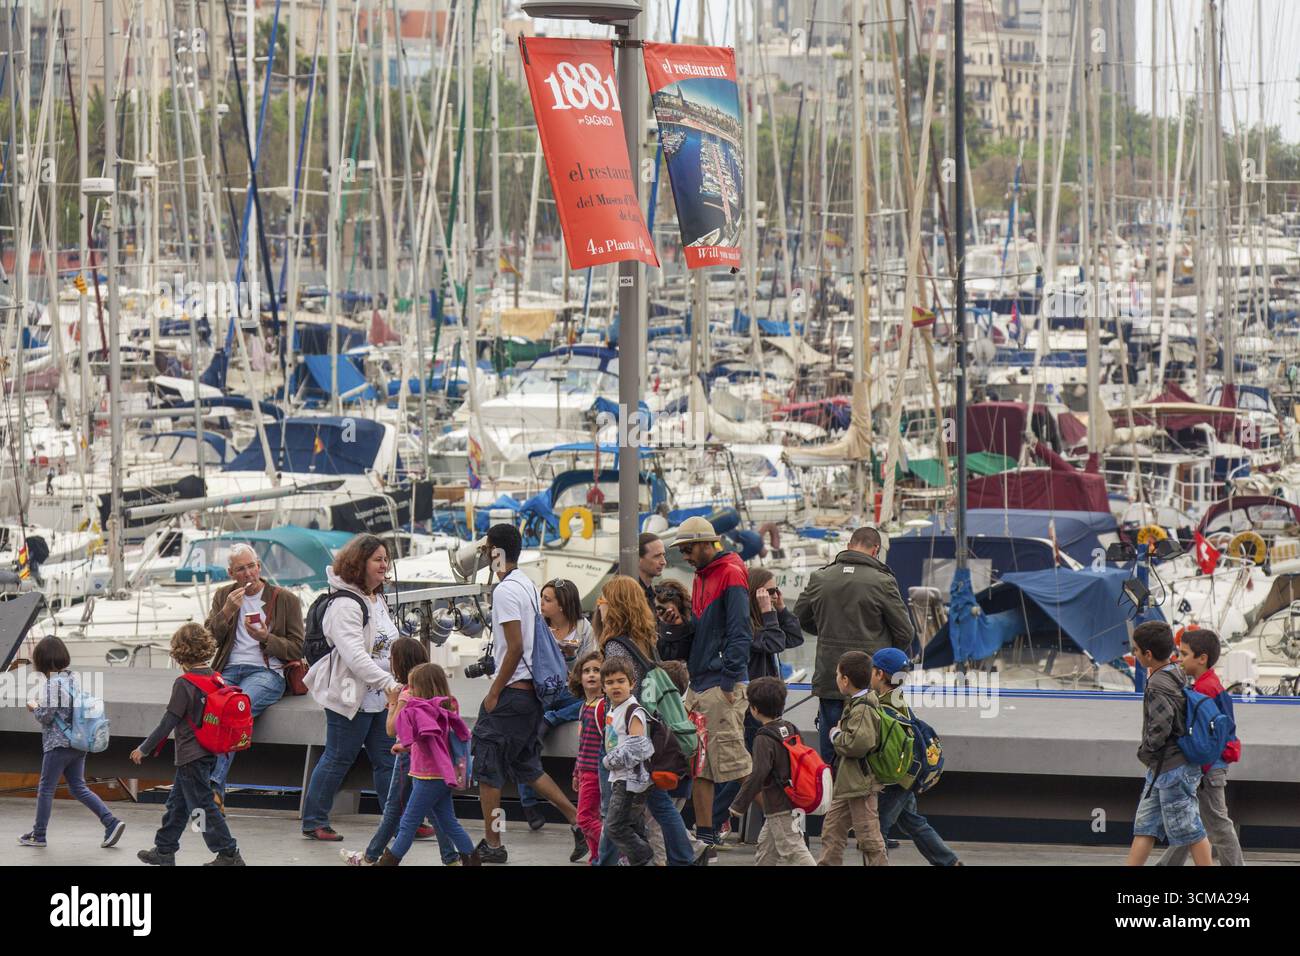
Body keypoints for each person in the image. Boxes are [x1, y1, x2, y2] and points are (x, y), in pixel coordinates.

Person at [470, 523, 583, 864]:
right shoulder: (528, 586)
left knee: (489, 771)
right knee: (525, 765)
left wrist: (493, 692)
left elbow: (516, 647)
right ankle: (579, 821)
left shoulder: (505, 592)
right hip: (530, 696)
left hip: (511, 694)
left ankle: (494, 841)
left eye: (488, 549)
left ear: (497, 553)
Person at [596, 574, 702, 866]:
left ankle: (676, 855)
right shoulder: (644, 639)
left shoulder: (616, 646)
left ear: (614, 604)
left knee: (614, 807)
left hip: (625, 735)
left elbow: (617, 692)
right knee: (653, 803)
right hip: (646, 731)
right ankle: (684, 855)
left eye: (604, 598)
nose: (599, 603)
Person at [300, 534, 401, 842]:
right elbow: (354, 655)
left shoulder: (377, 597)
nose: (384, 564)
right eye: (377, 559)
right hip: (350, 695)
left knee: (387, 760)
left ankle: (396, 820)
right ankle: (314, 820)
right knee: (338, 757)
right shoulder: (345, 604)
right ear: (360, 564)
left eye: (386, 558)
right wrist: (389, 683)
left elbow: (387, 645)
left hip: (379, 697)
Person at [794, 526, 915, 764]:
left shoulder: (821, 577)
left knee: (832, 749)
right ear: (876, 550)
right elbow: (904, 632)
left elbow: (799, 617)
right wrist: (882, 658)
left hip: (831, 677)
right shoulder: (882, 581)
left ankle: (833, 799)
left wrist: (826, 633)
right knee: (870, 751)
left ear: (849, 546)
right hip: (871, 681)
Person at [132, 624, 243, 866]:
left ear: (180, 652)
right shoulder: (216, 677)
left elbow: (168, 722)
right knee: (177, 805)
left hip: (191, 755)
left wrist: (144, 748)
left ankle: (228, 852)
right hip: (209, 752)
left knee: (201, 808)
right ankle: (164, 850)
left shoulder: (184, 684)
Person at [340, 638, 456, 866]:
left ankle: (370, 857)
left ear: (399, 662)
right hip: (431, 758)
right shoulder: (428, 688)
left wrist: (392, 703)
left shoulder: (406, 693)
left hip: (408, 757)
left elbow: (392, 729)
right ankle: (451, 858)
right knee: (435, 810)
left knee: (394, 808)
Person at [674, 515, 752, 851]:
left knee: (736, 765)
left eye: (688, 548)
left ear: (707, 544)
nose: (685, 555)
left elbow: (739, 630)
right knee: (700, 765)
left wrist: (729, 680)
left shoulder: (731, 573)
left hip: (720, 682)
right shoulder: (701, 575)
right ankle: (705, 835)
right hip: (703, 681)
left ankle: (788, 822)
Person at [205, 543, 305, 804]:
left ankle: (213, 787)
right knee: (206, 708)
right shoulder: (224, 596)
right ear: (231, 573)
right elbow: (208, 639)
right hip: (228, 669)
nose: (248, 573)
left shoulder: (284, 599)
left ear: (259, 567)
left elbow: (297, 646)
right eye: (241, 569)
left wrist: (266, 638)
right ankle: (208, 789)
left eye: (252, 566)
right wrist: (226, 611)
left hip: (266, 671)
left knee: (235, 708)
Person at [20, 637, 125, 850]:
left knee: (46, 789)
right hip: (78, 742)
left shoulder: (52, 684)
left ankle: (38, 835)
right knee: (78, 787)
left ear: (42, 660)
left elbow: (46, 716)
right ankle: (110, 822)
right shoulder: (71, 679)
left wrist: (34, 707)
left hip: (58, 744)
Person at [1126, 621, 1214, 866]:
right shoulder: (1177, 671)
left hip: (1171, 767)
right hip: (1163, 767)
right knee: (1145, 825)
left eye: (1136, 650)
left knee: (1190, 828)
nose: (1134, 654)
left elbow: (1160, 728)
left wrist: (1145, 750)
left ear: (1148, 655)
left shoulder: (1157, 685)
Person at [376, 664, 479, 866]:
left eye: (412, 686)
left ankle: (386, 863)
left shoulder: (421, 711)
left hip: (427, 777)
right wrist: (404, 747)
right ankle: (472, 860)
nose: (409, 690)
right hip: (443, 775)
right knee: (449, 823)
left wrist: (398, 704)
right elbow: (433, 740)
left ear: (422, 687)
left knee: (407, 824)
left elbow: (412, 734)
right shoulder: (446, 707)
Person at [1157, 629, 1244, 867]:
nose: (1179, 659)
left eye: (1184, 654)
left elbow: (1200, 735)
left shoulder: (1204, 691)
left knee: (1217, 825)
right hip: (1211, 767)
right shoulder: (1212, 686)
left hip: (1208, 770)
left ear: (1201, 658)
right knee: (1190, 821)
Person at [868, 648, 962, 867]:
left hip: (895, 779)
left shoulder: (882, 707)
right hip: (908, 774)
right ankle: (949, 862)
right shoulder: (899, 700)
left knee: (876, 827)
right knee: (912, 822)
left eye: (872, 670)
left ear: (880, 674)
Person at [519, 577, 592, 831]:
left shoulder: (583, 628)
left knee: (583, 704)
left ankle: (554, 718)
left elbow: (592, 662)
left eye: (547, 600)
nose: (541, 604)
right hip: (545, 689)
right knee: (529, 738)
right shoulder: (539, 626)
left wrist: (573, 661)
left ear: (562, 605)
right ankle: (527, 802)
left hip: (573, 690)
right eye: (541, 598)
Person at [727, 675, 816, 866]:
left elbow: (758, 773)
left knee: (794, 850)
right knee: (766, 850)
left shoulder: (763, 738)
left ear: (754, 709)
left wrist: (738, 805)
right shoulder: (790, 727)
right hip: (792, 797)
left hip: (778, 803)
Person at [816, 650, 888, 867]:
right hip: (849, 783)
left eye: (838, 675)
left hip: (860, 784)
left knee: (869, 838)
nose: (836, 678)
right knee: (832, 830)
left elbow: (860, 743)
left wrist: (835, 735)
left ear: (845, 680)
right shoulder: (858, 704)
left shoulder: (863, 707)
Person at [599, 657, 655, 866]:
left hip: (630, 781)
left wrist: (608, 761)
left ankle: (643, 855)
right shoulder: (615, 709)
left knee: (614, 827)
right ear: (603, 687)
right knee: (633, 826)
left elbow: (638, 748)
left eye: (621, 681)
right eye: (610, 682)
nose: (616, 686)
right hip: (620, 778)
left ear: (632, 683)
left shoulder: (633, 710)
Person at [569, 650, 605, 863]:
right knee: (591, 816)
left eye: (596, 671)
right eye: (586, 671)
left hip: (596, 770)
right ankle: (597, 856)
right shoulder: (584, 706)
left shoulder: (601, 706)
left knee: (584, 818)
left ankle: (615, 850)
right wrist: (576, 772)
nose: (591, 675)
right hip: (584, 770)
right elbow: (582, 744)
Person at [746, 568, 804, 681]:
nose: (776, 596)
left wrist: (782, 609)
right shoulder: (746, 625)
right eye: (771, 591)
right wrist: (767, 612)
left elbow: (795, 638)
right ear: (755, 593)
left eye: (777, 591)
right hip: (755, 692)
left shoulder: (765, 621)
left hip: (769, 690)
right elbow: (774, 644)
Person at [653, 579, 694, 662]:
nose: (660, 613)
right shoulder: (655, 629)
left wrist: (674, 627)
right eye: (658, 609)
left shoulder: (691, 630)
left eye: (663, 610)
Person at [638, 532, 667, 608]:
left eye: (663, 555)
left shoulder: (652, 594)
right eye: (657, 556)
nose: (663, 562)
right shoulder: (628, 595)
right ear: (638, 559)